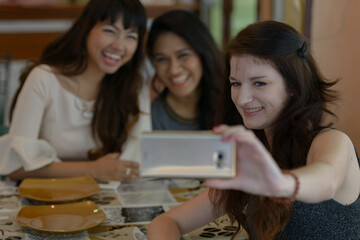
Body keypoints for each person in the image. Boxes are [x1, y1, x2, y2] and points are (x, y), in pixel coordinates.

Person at [147, 20, 360, 240]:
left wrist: (279, 182)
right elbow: (167, 221)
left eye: (259, 83)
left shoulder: (332, 141)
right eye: (235, 83)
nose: (242, 98)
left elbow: (327, 180)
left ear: (294, 87)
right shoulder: (254, 153)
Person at [0, 0, 150, 182]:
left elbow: (140, 159)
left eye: (131, 36)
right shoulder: (44, 79)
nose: (119, 45)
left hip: (101, 200)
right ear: (86, 29)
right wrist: (93, 170)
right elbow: (16, 168)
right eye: (110, 31)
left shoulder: (134, 86)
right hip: (44, 198)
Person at [146, 10, 224, 130]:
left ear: (203, 54)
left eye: (183, 55)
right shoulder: (149, 117)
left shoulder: (232, 104)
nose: (173, 70)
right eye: (162, 59)